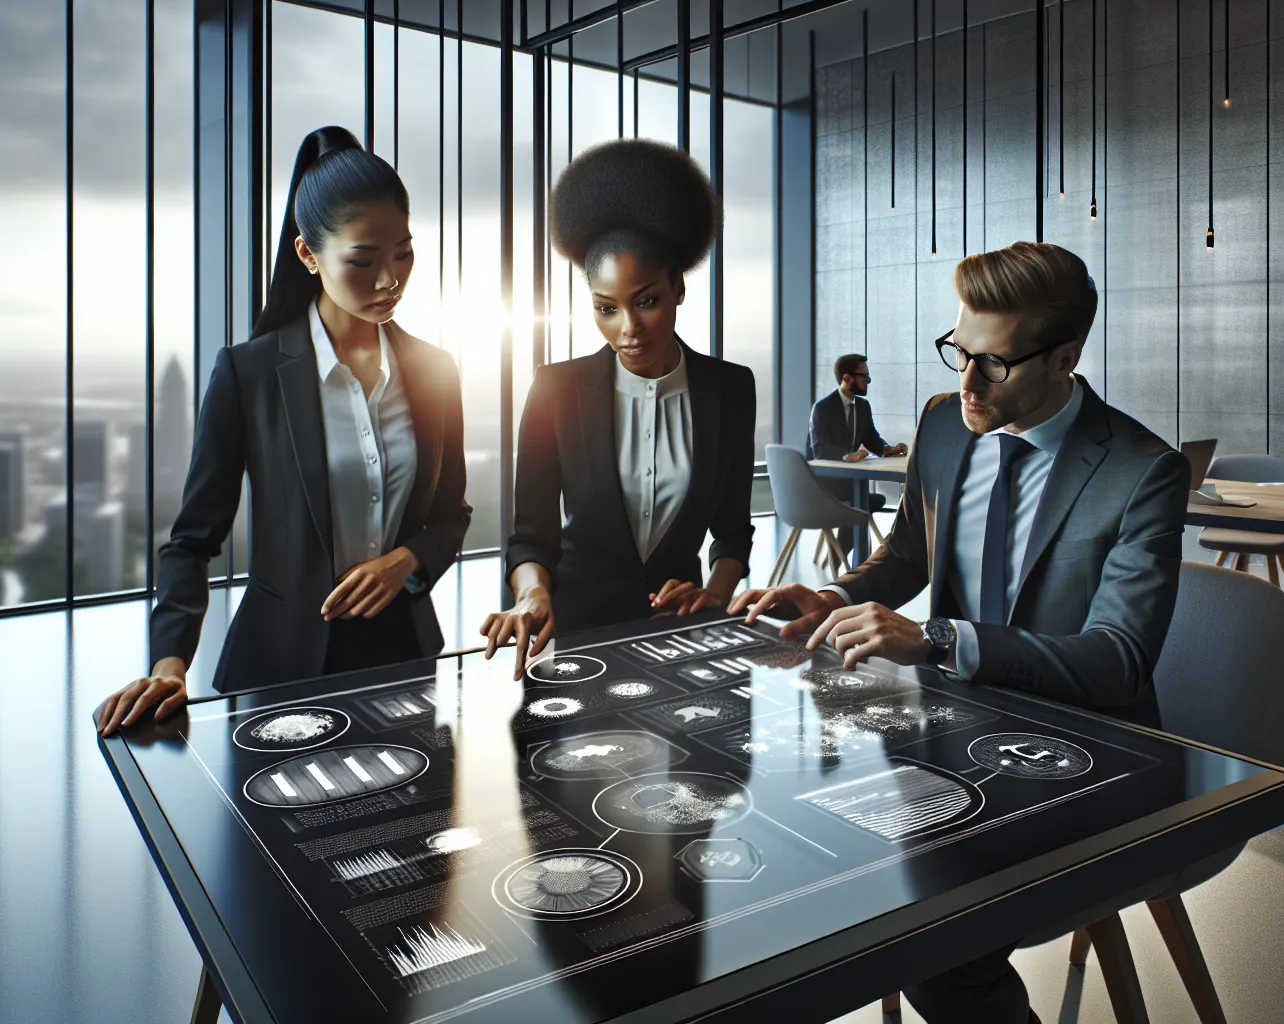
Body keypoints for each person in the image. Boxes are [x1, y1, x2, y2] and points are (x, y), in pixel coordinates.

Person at [730, 241, 1188, 1024]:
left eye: (994, 364)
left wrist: (940, 640)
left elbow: (1118, 662)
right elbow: (908, 553)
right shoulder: (945, 424)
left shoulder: (1143, 470)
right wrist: (836, 594)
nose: (967, 382)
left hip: (1082, 759)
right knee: (782, 859)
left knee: (933, 949)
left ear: (1066, 358)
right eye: (958, 351)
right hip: (944, 736)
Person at [98, 126, 470, 736]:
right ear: (308, 255)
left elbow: (451, 515)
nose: (390, 279)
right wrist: (169, 665)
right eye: (363, 260)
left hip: (404, 664)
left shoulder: (436, 371)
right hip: (279, 671)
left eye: (403, 252)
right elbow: (192, 540)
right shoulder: (249, 374)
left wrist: (404, 561)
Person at [481, 139, 756, 680]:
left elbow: (732, 530)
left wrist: (714, 594)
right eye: (606, 309)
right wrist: (532, 592)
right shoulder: (554, 389)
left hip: (681, 640)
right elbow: (530, 537)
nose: (628, 329)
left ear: (678, 288)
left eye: (646, 301)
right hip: (575, 639)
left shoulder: (730, 389)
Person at [809, 352, 908, 561]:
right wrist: (849, 456)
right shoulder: (823, 408)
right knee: (862, 503)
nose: (868, 382)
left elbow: (871, 438)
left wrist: (887, 449)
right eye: (865, 377)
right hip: (826, 485)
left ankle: (842, 559)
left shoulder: (863, 407)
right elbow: (820, 449)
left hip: (851, 484)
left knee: (864, 501)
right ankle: (845, 560)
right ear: (847, 378)